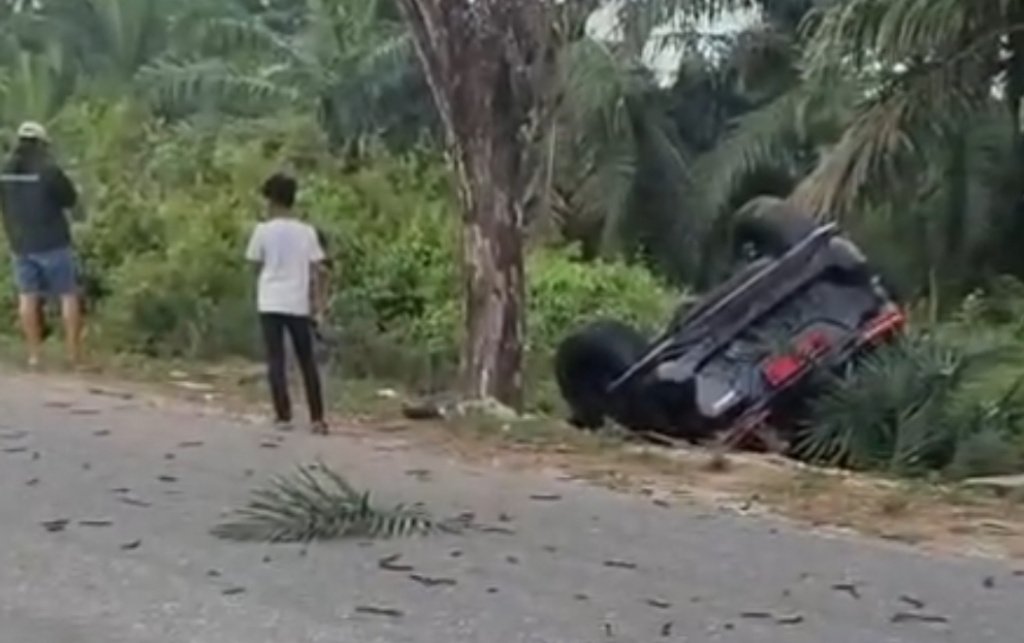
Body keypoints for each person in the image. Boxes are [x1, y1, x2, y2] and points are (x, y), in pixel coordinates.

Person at [245, 172, 329, 434]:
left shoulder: (262, 231)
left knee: (276, 359)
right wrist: (319, 304)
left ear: (271, 200)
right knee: (307, 360)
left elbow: (255, 265)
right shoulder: (306, 232)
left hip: (270, 300)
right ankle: (317, 418)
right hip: (297, 302)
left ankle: (283, 416)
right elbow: (320, 270)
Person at [0, 121, 84, 368]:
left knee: (27, 298)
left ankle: (34, 355)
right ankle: (73, 355)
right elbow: (70, 199)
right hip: (53, 243)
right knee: (68, 295)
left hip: (20, 244)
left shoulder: (5, 170)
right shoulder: (48, 169)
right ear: (41, 143)